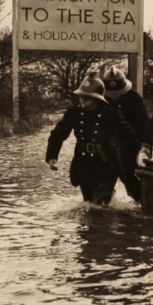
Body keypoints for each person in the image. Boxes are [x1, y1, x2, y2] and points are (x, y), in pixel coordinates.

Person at [46, 72, 139, 205]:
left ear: (97, 98)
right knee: (88, 203)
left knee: (100, 202)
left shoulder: (110, 113)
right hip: (83, 162)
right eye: (81, 97)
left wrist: (139, 156)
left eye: (87, 98)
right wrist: (52, 156)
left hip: (106, 162)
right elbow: (58, 133)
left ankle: (108, 213)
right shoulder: (74, 113)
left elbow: (129, 135)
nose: (82, 100)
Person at [102, 66, 148, 202]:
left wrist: (142, 150)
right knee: (103, 185)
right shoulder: (99, 98)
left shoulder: (134, 98)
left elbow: (144, 126)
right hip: (105, 148)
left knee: (134, 183)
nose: (115, 98)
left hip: (130, 146)